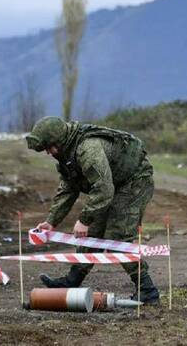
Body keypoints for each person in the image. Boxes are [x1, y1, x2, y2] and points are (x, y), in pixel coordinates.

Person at [26, 116, 160, 304]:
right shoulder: (67, 155)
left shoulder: (88, 149)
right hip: (113, 184)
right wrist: (51, 221)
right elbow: (67, 189)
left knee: (118, 235)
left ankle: (147, 290)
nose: (48, 152)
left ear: (60, 140)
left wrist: (85, 219)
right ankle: (72, 281)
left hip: (134, 182)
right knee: (92, 234)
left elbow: (103, 189)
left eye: (50, 147)